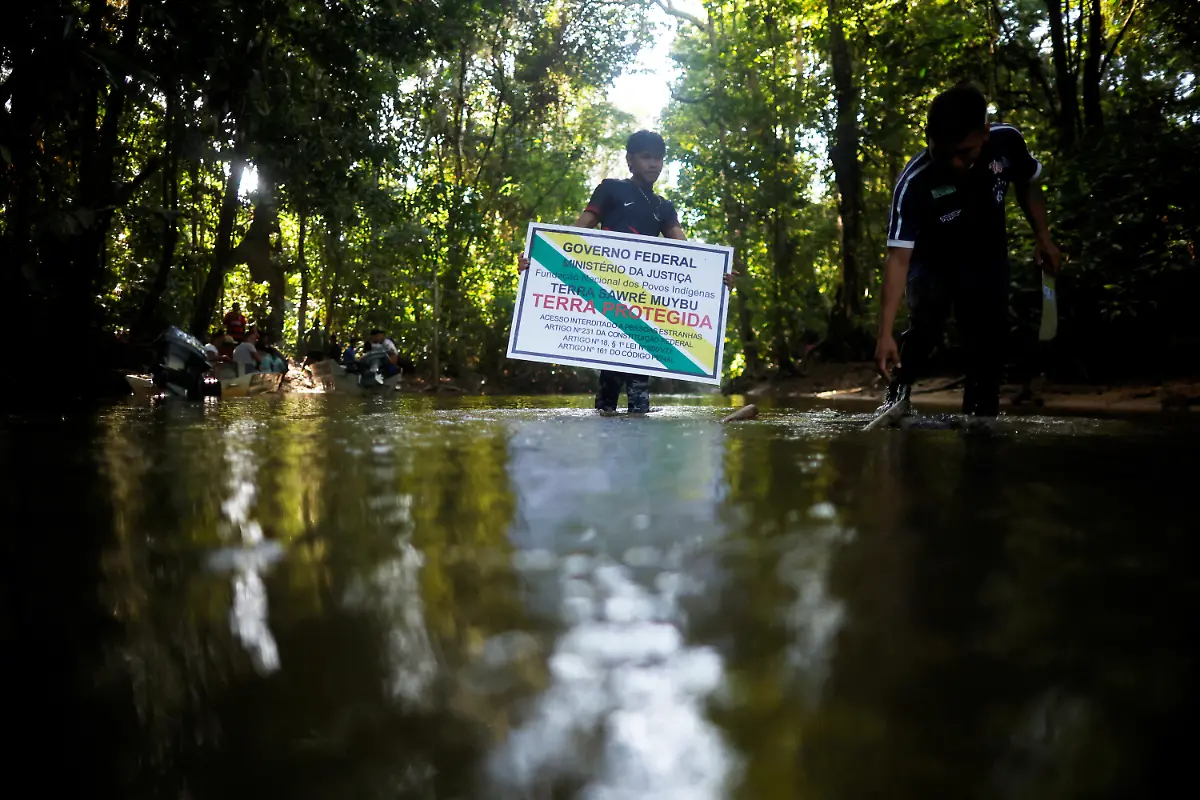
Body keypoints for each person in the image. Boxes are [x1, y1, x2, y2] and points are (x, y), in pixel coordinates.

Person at [873, 82, 1060, 420]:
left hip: (988, 258)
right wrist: (884, 333)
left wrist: (1043, 236)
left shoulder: (1008, 142)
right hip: (932, 262)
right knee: (927, 318)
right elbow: (898, 258)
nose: (956, 163)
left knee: (987, 340)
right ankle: (897, 395)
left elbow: (1028, 182)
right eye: (943, 153)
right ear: (928, 136)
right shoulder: (914, 184)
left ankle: (980, 420)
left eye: (966, 152)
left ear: (985, 134)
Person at [517, 130, 736, 415]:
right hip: (607, 296)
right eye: (646, 157)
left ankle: (635, 436)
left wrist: (717, 278)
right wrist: (540, 259)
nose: (654, 164)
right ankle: (607, 432)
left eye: (659, 159)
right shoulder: (610, 189)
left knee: (639, 386)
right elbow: (576, 232)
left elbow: (688, 254)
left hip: (642, 303)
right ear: (630, 160)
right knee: (608, 382)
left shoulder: (663, 207)